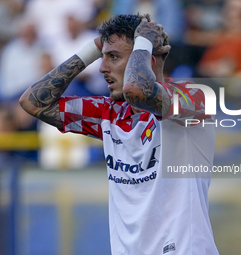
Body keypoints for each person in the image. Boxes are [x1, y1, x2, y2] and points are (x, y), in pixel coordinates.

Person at [20, 14, 219, 255]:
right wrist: (93, 49)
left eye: (113, 57)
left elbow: (138, 91)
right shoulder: (109, 114)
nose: (102, 68)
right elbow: (33, 103)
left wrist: (143, 44)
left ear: (150, 60)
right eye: (102, 58)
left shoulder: (194, 99)